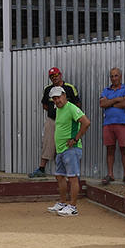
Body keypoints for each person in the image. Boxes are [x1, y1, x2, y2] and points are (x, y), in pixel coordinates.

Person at [29, 68, 80, 178]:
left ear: (60, 75)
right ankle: (41, 169)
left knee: (68, 145)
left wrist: (67, 114)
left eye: (56, 75)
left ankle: (72, 173)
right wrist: (53, 112)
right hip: (52, 120)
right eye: (52, 76)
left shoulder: (69, 88)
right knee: (47, 143)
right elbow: (45, 105)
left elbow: (78, 104)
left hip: (67, 122)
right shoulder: (48, 89)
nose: (54, 77)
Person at [48, 86, 90, 216]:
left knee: (72, 177)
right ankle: (62, 202)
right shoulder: (58, 109)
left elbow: (86, 122)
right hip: (61, 149)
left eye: (58, 97)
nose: (57, 100)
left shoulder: (71, 108)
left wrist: (75, 139)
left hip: (71, 149)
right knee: (60, 176)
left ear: (64, 95)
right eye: (54, 98)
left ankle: (73, 207)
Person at [99, 67, 125, 184]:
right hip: (108, 124)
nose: (114, 78)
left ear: (120, 76)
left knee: (124, 149)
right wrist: (117, 99)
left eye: (116, 76)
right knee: (110, 149)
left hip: (123, 123)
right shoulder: (106, 90)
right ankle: (110, 174)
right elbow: (102, 103)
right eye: (112, 76)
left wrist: (110, 103)